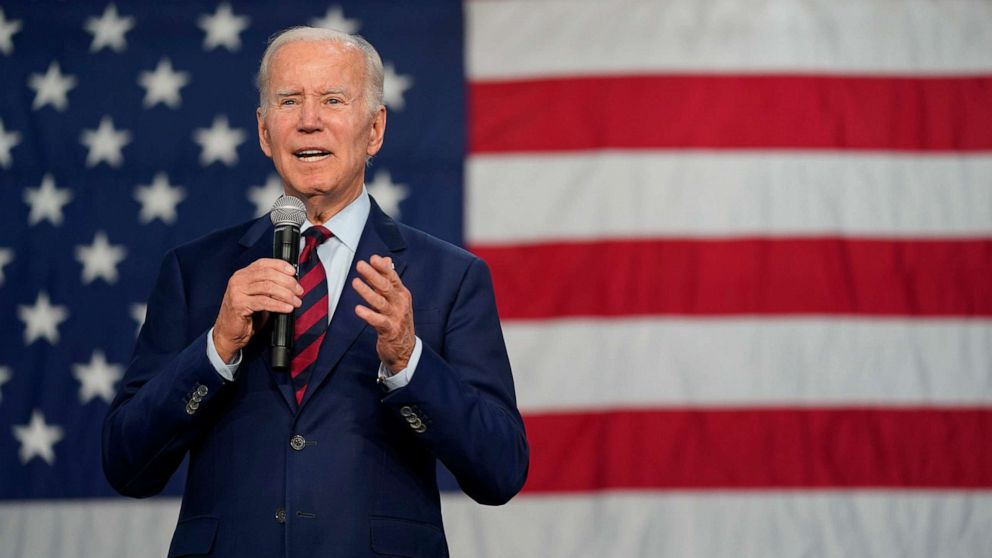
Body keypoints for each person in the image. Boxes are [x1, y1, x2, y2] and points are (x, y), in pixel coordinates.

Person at [102, 27, 528, 558]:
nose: (309, 119)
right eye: (288, 101)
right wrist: (216, 349)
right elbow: (127, 465)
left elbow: (501, 471)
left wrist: (408, 362)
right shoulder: (195, 272)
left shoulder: (449, 276)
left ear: (374, 131)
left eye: (332, 99)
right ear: (264, 131)